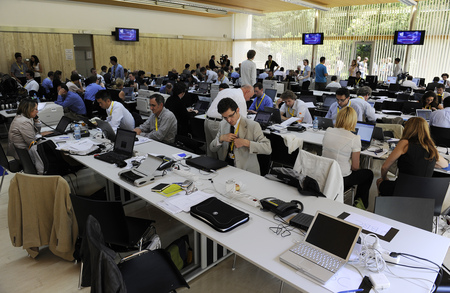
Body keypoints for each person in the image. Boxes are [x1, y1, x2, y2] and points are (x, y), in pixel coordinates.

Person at [377, 117, 448, 196]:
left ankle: (383, 205)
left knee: (379, 182)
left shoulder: (405, 143)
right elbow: (444, 164)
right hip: (423, 192)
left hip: (402, 190)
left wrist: (384, 178)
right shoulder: (431, 147)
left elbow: (384, 167)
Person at [322, 107, 373, 209]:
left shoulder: (328, 131)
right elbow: (355, 167)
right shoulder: (354, 138)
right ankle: (360, 205)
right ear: (354, 120)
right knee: (368, 174)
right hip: (341, 178)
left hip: (326, 173)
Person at [210, 98, 271, 175]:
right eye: (225, 117)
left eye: (231, 115)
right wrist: (220, 139)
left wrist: (247, 143)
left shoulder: (253, 125)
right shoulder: (223, 124)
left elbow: (267, 148)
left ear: (237, 110)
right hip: (226, 168)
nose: (229, 120)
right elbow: (212, 148)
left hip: (246, 171)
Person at [204, 85, 254, 159]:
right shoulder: (240, 98)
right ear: (247, 91)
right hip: (218, 123)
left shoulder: (226, 90)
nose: (248, 99)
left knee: (211, 149)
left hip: (207, 120)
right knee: (221, 152)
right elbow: (242, 120)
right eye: (250, 97)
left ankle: (208, 168)